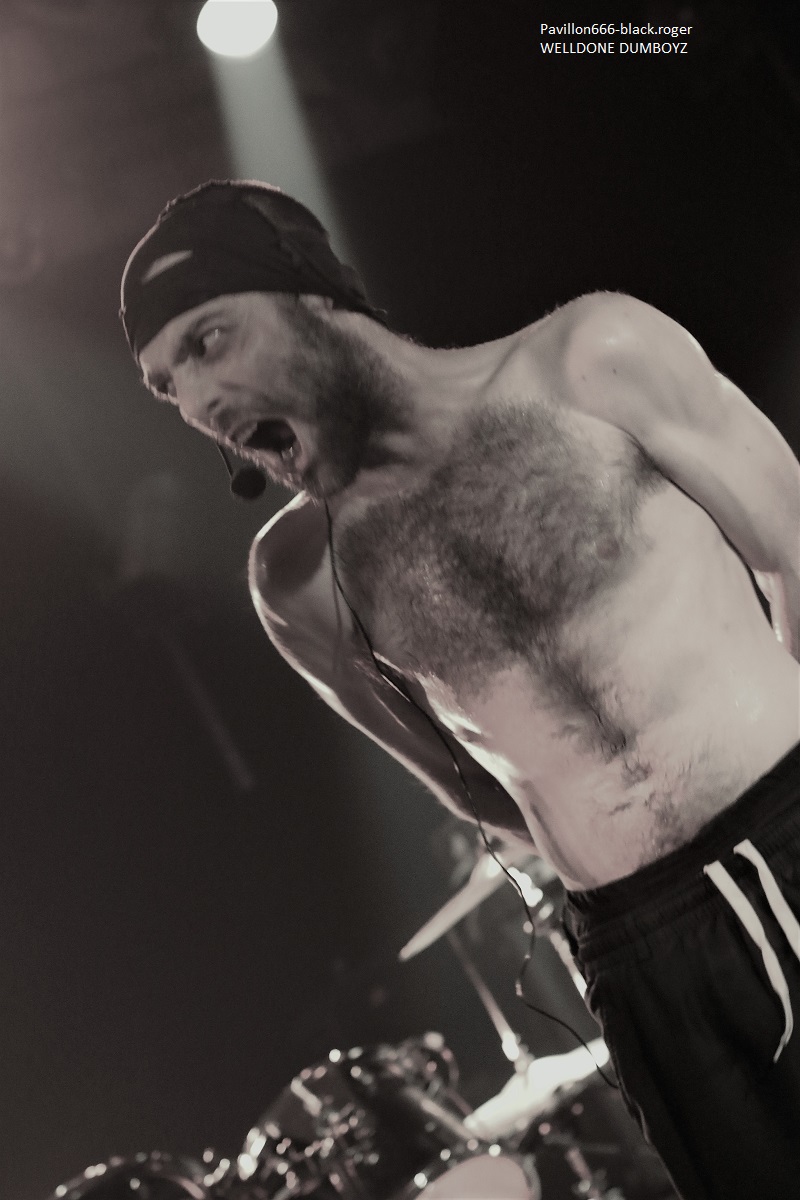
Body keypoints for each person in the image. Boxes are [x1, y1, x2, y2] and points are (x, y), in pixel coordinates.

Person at [121, 179, 800, 1200]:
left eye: (208, 342)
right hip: (645, 953)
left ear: (311, 294)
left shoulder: (588, 354)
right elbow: (462, 784)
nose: (198, 403)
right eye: (166, 386)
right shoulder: (298, 580)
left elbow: (790, 544)